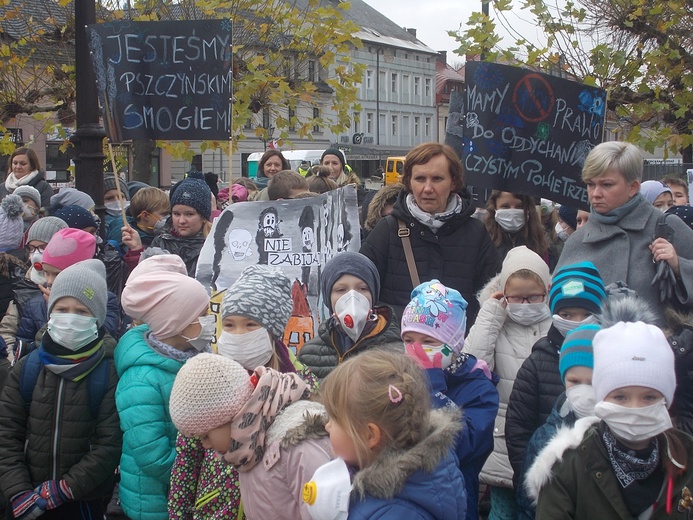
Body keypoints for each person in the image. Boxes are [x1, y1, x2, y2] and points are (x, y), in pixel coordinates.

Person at [168, 265, 318, 520]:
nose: (238, 334)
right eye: (229, 325)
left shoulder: (303, 386)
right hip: (215, 509)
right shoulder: (208, 381)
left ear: (273, 331)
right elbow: (186, 460)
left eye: (250, 324)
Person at [530, 319, 693, 519]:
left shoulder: (687, 457)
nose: (635, 409)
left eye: (649, 397)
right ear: (601, 397)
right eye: (620, 397)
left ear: (666, 399)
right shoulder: (567, 466)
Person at [0, 259, 122, 520]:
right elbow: (6, 433)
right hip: (24, 498)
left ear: (98, 318)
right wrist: (17, 490)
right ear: (50, 312)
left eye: (81, 311)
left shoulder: (108, 372)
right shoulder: (27, 369)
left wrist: (66, 488)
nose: (70, 318)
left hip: (82, 500)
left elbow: (109, 444)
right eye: (62, 309)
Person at [169, 353, 331, 520]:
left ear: (231, 415)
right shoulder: (249, 446)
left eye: (205, 436)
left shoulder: (299, 448)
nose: (205, 445)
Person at [360, 142, 500, 329]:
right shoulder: (387, 230)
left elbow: (491, 297)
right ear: (409, 182)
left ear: (454, 182)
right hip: (400, 347)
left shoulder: (475, 233)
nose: (427, 188)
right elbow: (361, 290)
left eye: (437, 179)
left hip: (460, 346)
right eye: (420, 178)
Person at [116, 255, 214, 520]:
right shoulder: (141, 378)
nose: (209, 320)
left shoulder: (200, 354)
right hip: (157, 501)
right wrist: (208, 471)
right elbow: (152, 456)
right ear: (176, 323)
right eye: (202, 315)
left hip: (195, 492)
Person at [318, 349, 468, 518]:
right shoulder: (364, 477)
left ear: (369, 435)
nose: (327, 426)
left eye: (334, 419)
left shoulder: (397, 513)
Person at [556, 141, 693, 326]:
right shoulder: (578, 241)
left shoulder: (668, 227)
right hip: (590, 352)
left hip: (660, 350)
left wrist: (678, 267)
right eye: (590, 184)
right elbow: (557, 310)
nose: (595, 193)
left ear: (633, 187)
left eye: (607, 184)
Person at [462, 245, 552, 520]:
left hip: (546, 436)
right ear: (504, 294)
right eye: (517, 298)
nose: (524, 305)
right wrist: (491, 312)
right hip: (504, 443)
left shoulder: (556, 324)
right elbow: (474, 364)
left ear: (546, 292)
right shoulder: (495, 324)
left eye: (532, 297)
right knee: (503, 511)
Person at [401, 280, 499, 520]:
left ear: (453, 343)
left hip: (454, 504)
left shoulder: (479, 389)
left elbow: (464, 446)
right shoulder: (399, 380)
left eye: (428, 342)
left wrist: (431, 385)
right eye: (408, 341)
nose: (416, 351)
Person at [505, 262, 606, 490]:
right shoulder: (536, 364)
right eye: (567, 313)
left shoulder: (612, 360)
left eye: (586, 314)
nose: (576, 321)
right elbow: (518, 431)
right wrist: (532, 477)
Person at [15, 228, 122, 359]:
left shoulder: (105, 300)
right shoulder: (36, 304)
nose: (49, 281)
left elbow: (106, 333)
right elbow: (23, 344)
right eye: (46, 273)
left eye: (57, 274)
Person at [297, 252, 402, 379]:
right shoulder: (309, 354)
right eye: (341, 290)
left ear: (373, 295)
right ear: (328, 298)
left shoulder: (398, 352)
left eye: (362, 289)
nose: (352, 298)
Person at [0, 217, 67, 357]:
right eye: (31, 248)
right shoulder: (23, 285)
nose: (36, 254)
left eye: (43, 247)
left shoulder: (78, 283)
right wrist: (14, 364)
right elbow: (7, 332)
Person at [128, 178, 212, 277]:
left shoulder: (214, 246)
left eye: (189, 214)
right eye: (176, 214)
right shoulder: (160, 241)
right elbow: (143, 279)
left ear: (203, 217)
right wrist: (136, 251)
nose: (181, 221)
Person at [484, 190, 552, 267]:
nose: (512, 211)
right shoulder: (484, 244)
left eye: (519, 206)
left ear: (529, 209)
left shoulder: (544, 247)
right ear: (494, 208)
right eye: (505, 206)